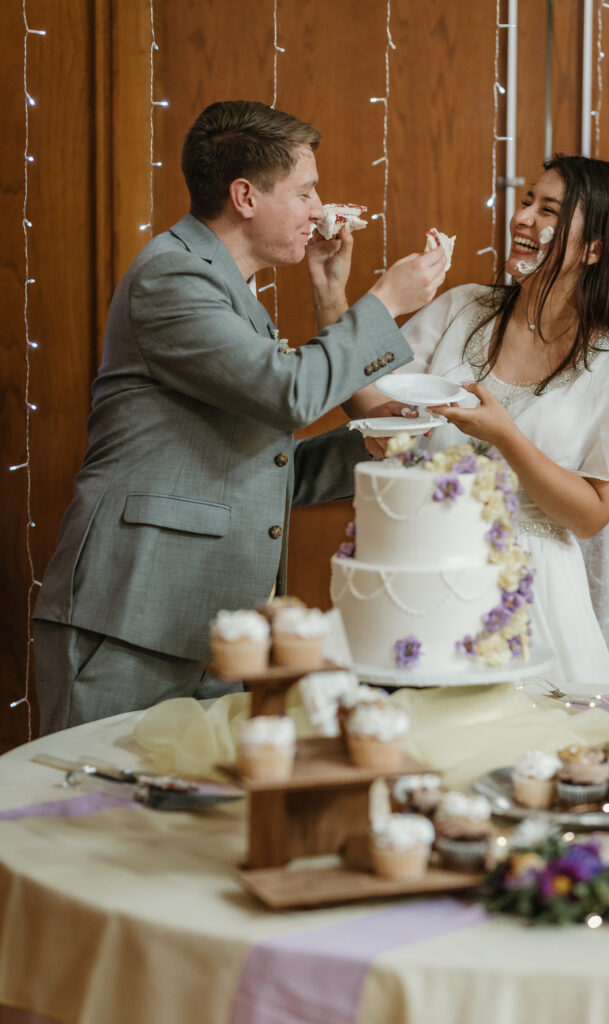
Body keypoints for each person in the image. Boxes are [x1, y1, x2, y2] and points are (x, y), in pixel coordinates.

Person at [33, 100, 447, 734]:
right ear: (245, 196)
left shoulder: (230, 292)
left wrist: (369, 444)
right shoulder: (171, 277)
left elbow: (260, 459)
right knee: (102, 817)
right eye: (306, 191)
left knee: (204, 828)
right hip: (130, 618)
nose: (319, 207)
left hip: (218, 629)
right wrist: (385, 301)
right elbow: (287, 394)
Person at [355, 155, 609, 692]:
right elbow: (374, 409)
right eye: (527, 200)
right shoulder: (462, 309)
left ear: (594, 249)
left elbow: (592, 515)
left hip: (532, 592)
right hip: (423, 572)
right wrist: (329, 291)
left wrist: (505, 434)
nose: (522, 217)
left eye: (548, 209)